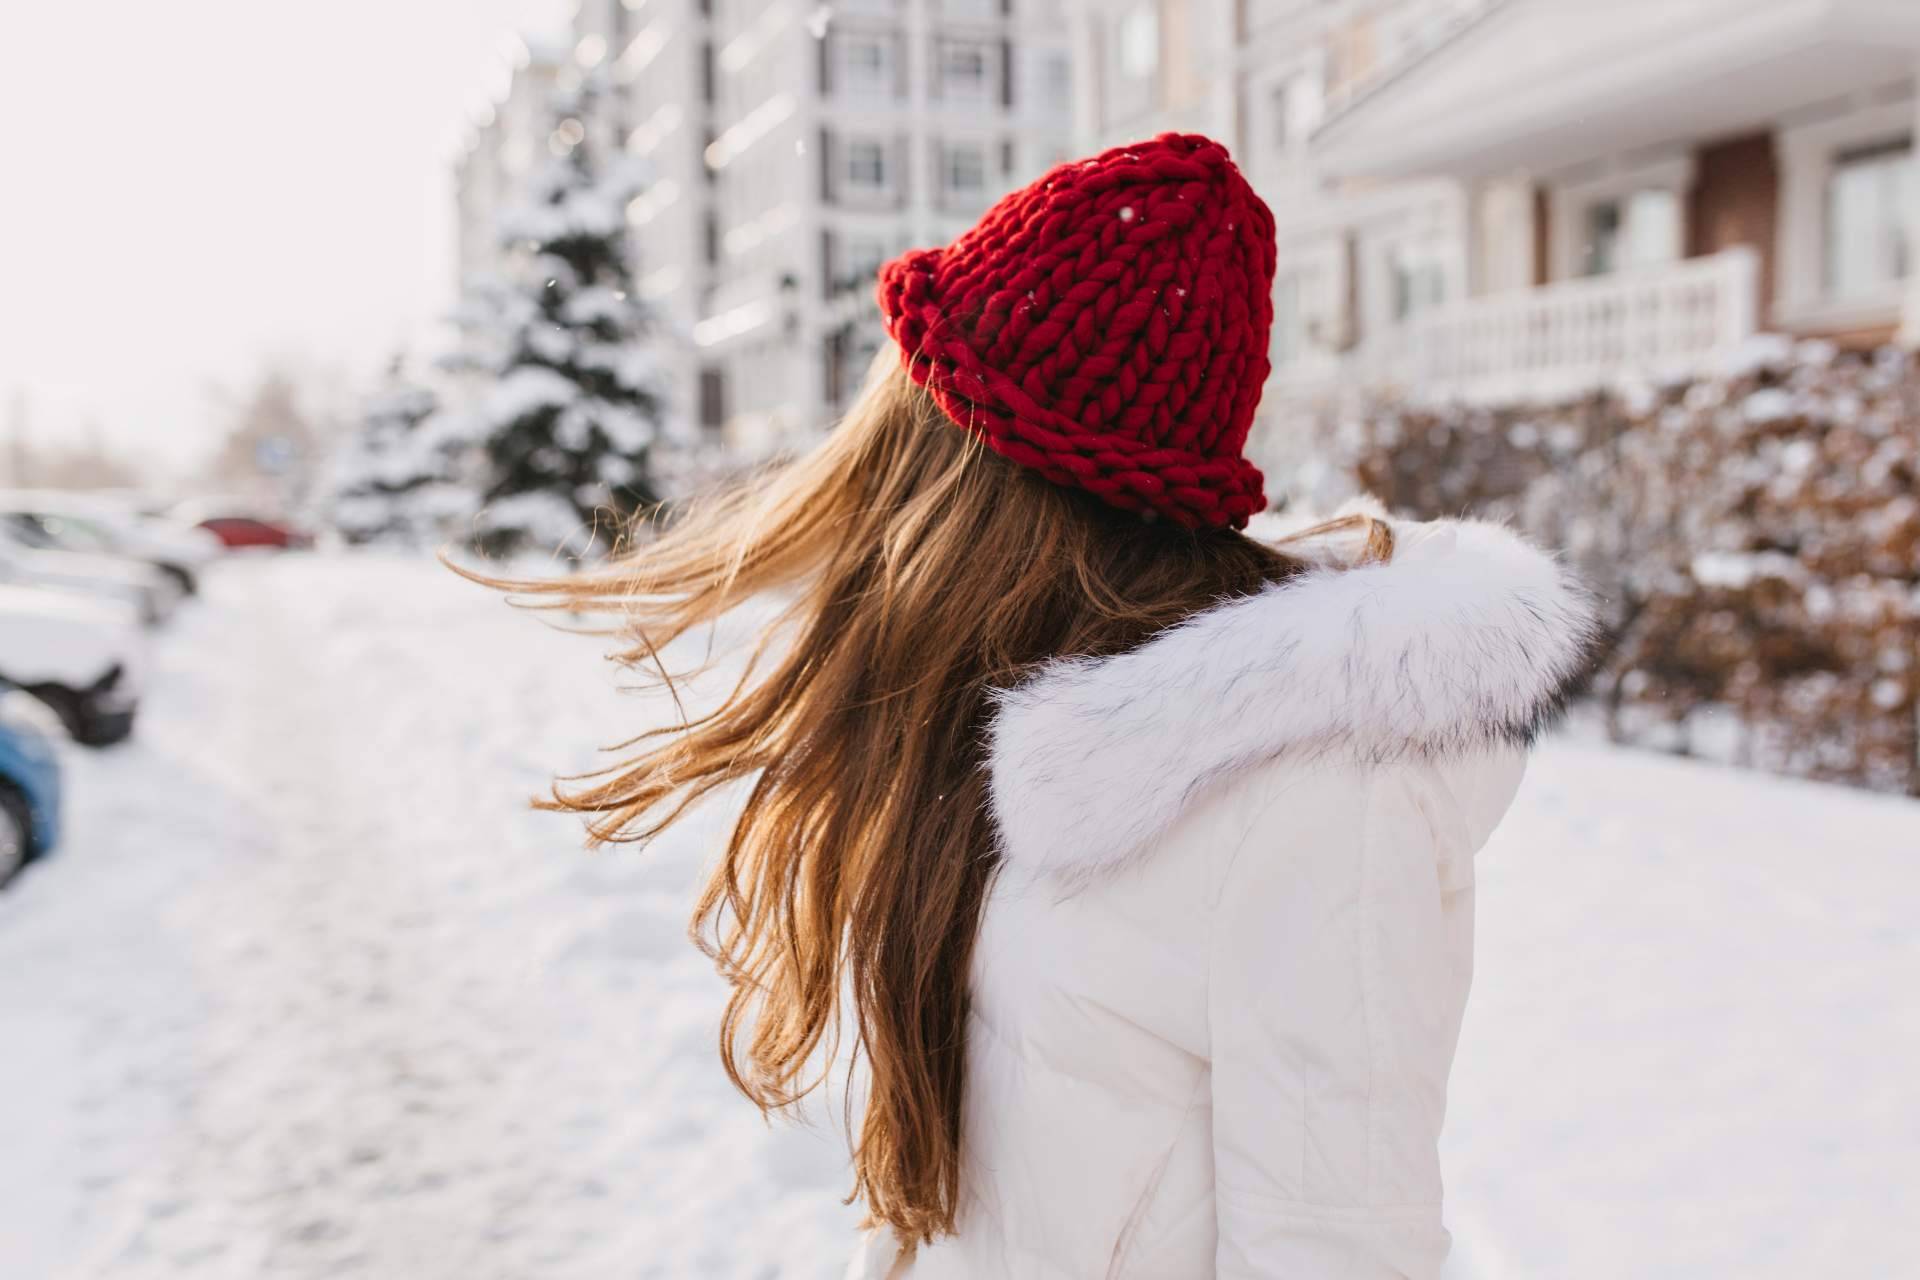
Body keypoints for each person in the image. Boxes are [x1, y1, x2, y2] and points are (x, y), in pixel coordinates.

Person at [515, 134, 1602, 1277]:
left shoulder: (1320, 798)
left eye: (910, 439)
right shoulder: (1024, 705)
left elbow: (1339, 1247)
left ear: (984, 490)